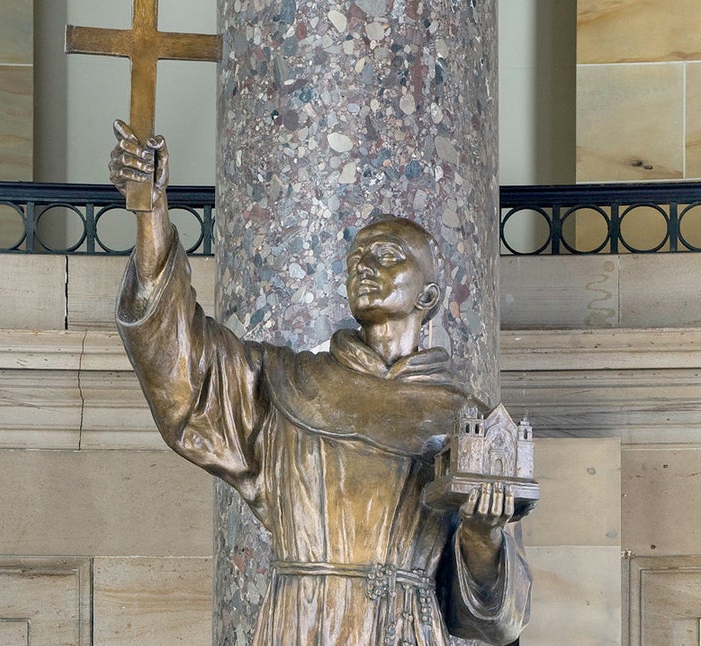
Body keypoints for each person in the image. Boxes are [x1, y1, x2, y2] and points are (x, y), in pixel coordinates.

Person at [110, 119, 531, 645]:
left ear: (429, 298)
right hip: (302, 623)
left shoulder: (466, 420)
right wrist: (151, 216)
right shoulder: (287, 384)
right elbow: (182, 362)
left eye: (385, 257)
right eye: (356, 260)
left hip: (404, 629)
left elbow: (500, 621)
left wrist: (482, 536)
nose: (363, 268)